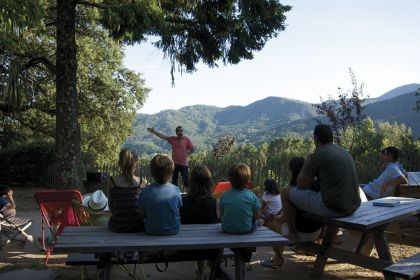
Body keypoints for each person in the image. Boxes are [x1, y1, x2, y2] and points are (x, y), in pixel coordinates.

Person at [281, 124, 361, 243]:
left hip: (334, 208)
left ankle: (293, 234)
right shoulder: (343, 151)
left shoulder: (319, 154)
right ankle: (322, 233)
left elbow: (301, 185)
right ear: (331, 137)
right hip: (353, 206)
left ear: (316, 139)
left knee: (285, 192)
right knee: (324, 192)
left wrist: (308, 161)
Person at [261, 157, 323, 268]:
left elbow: (283, 219)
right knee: (279, 223)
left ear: (291, 172)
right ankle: (278, 256)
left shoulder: (291, 192)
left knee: (269, 224)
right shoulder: (317, 186)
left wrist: (272, 217)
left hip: (303, 234)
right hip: (317, 231)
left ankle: (279, 257)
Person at [179, 165, 219, 278]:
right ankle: (207, 271)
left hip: (186, 249)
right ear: (209, 182)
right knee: (208, 241)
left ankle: (200, 272)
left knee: (198, 241)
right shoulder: (214, 203)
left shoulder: (183, 202)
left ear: (191, 182)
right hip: (210, 249)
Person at [136, 154, 182, 235]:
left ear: (152, 172)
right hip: (174, 229)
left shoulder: (146, 191)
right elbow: (178, 208)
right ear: (171, 172)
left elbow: (141, 213)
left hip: (151, 230)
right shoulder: (175, 189)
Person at [107, 148, 145, 232]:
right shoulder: (141, 182)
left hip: (117, 226)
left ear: (119, 164)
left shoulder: (112, 181)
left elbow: (110, 205)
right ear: (137, 164)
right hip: (137, 226)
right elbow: (144, 207)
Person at [219, 163, 261, 234]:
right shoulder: (252, 196)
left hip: (227, 229)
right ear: (248, 180)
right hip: (246, 230)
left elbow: (222, 215)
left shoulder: (224, 195)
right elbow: (257, 216)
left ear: (230, 180)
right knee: (259, 222)